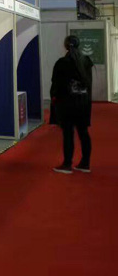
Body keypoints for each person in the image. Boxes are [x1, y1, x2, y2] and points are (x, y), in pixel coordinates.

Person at [50, 35, 93, 174]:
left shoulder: (61, 62)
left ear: (66, 46)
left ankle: (67, 164)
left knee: (68, 134)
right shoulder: (86, 61)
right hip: (83, 103)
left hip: (67, 104)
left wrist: (55, 100)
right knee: (83, 133)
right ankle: (85, 164)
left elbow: (56, 85)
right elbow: (89, 84)